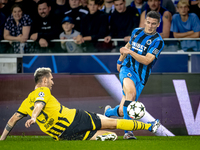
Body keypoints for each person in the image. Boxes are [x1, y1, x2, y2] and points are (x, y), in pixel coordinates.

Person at [0, 67, 160, 141]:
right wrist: (34, 117)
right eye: (51, 79)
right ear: (44, 80)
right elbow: (39, 104)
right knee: (113, 124)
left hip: (63, 135)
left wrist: (2, 139)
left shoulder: (24, 103)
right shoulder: (42, 91)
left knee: (108, 135)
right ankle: (149, 127)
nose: (52, 82)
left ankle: (102, 136)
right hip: (75, 118)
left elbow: (12, 120)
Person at [104, 11, 164, 140]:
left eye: (153, 24)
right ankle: (128, 132)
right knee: (130, 94)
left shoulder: (158, 41)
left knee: (123, 110)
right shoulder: (136, 32)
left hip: (141, 77)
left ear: (158, 25)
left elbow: (147, 60)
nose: (150, 26)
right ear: (145, 21)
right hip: (127, 68)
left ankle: (108, 112)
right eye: (148, 22)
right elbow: (128, 45)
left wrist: (129, 52)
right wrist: (120, 60)